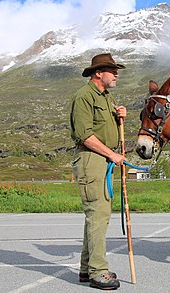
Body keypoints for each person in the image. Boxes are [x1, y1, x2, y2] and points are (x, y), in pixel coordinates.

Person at [70, 53, 127, 290]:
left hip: (103, 161)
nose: (116, 74)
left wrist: (119, 116)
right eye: (112, 70)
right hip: (92, 160)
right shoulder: (84, 96)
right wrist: (112, 154)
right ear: (98, 73)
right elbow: (85, 135)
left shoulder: (106, 97)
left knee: (96, 217)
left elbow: (103, 128)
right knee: (98, 216)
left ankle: (87, 269)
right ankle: (98, 272)